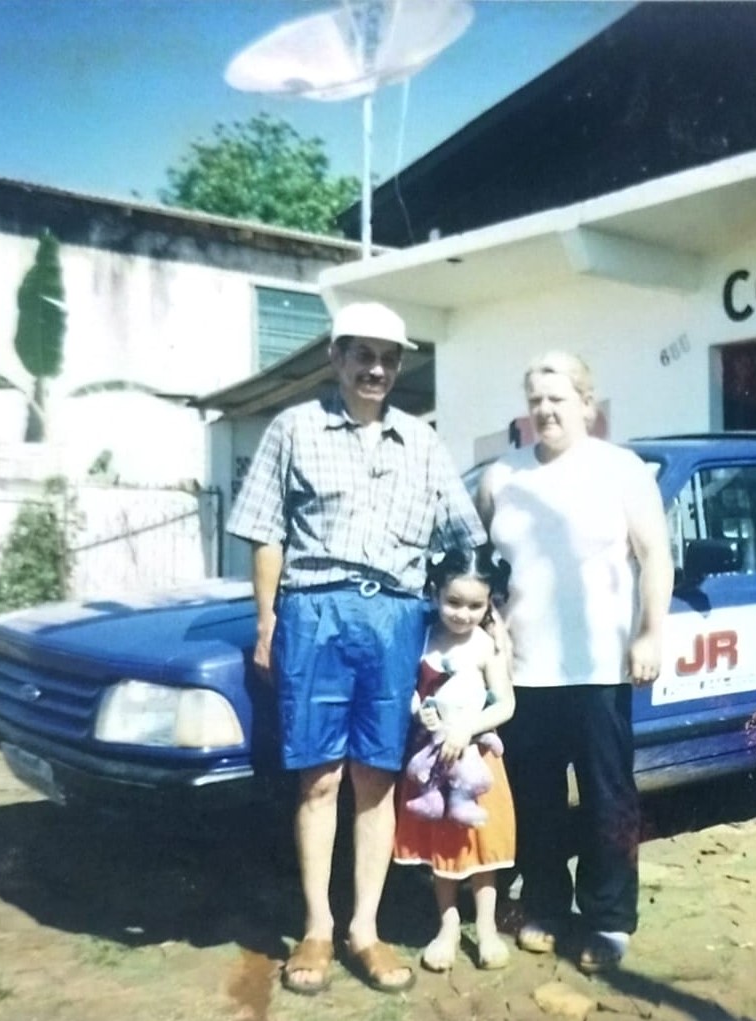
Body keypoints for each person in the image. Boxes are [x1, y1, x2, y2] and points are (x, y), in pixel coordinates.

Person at [226, 300, 484, 997]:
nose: (375, 368)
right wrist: (266, 622)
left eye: (388, 357)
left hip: (396, 615)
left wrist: (486, 612)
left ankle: (363, 930)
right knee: (318, 778)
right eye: (362, 354)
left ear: (399, 367)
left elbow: (466, 535)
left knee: (376, 778)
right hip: (314, 611)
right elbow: (263, 529)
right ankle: (315, 924)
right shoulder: (295, 427)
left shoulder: (422, 443)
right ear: (336, 358)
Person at [476, 351, 674, 974]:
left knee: (606, 799)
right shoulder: (500, 477)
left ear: (587, 404)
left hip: (599, 668)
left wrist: (650, 634)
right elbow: (479, 569)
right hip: (524, 672)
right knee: (533, 798)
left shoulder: (622, 470)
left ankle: (610, 920)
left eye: (558, 399)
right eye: (536, 400)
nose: (546, 410)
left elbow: (656, 558)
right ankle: (544, 904)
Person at [392, 544, 517, 972]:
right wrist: (418, 710)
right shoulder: (423, 638)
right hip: (434, 761)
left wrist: (469, 727)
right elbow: (411, 689)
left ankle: (484, 927)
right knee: (444, 846)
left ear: (488, 605)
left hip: (477, 761)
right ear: (435, 594)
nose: (462, 613)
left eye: (474, 605)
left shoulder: (486, 646)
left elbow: (505, 704)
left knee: (480, 845)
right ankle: (446, 925)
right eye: (453, 602)